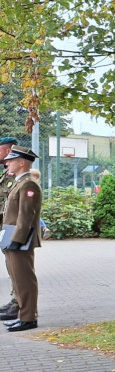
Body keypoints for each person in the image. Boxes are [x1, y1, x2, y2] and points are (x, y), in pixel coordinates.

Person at [1, 145, 43, 331]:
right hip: (12, 238)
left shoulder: (28, 184)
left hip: (20, 240)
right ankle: (23, 316)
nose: (6, 163)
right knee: (18, 280)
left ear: (21, 162)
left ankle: (28, 319)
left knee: (24, 280)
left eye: (10, 160)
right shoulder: (19, 182)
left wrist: (16, 240)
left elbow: (26, 216)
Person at [0, 137, 20, 317]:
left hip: (13, 226)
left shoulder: (19, 175)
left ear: (7, 151)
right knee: (10, 263)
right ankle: (15, 300)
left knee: (17, 265)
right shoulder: (6, 174)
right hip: (6, 227)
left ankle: (18, 304)